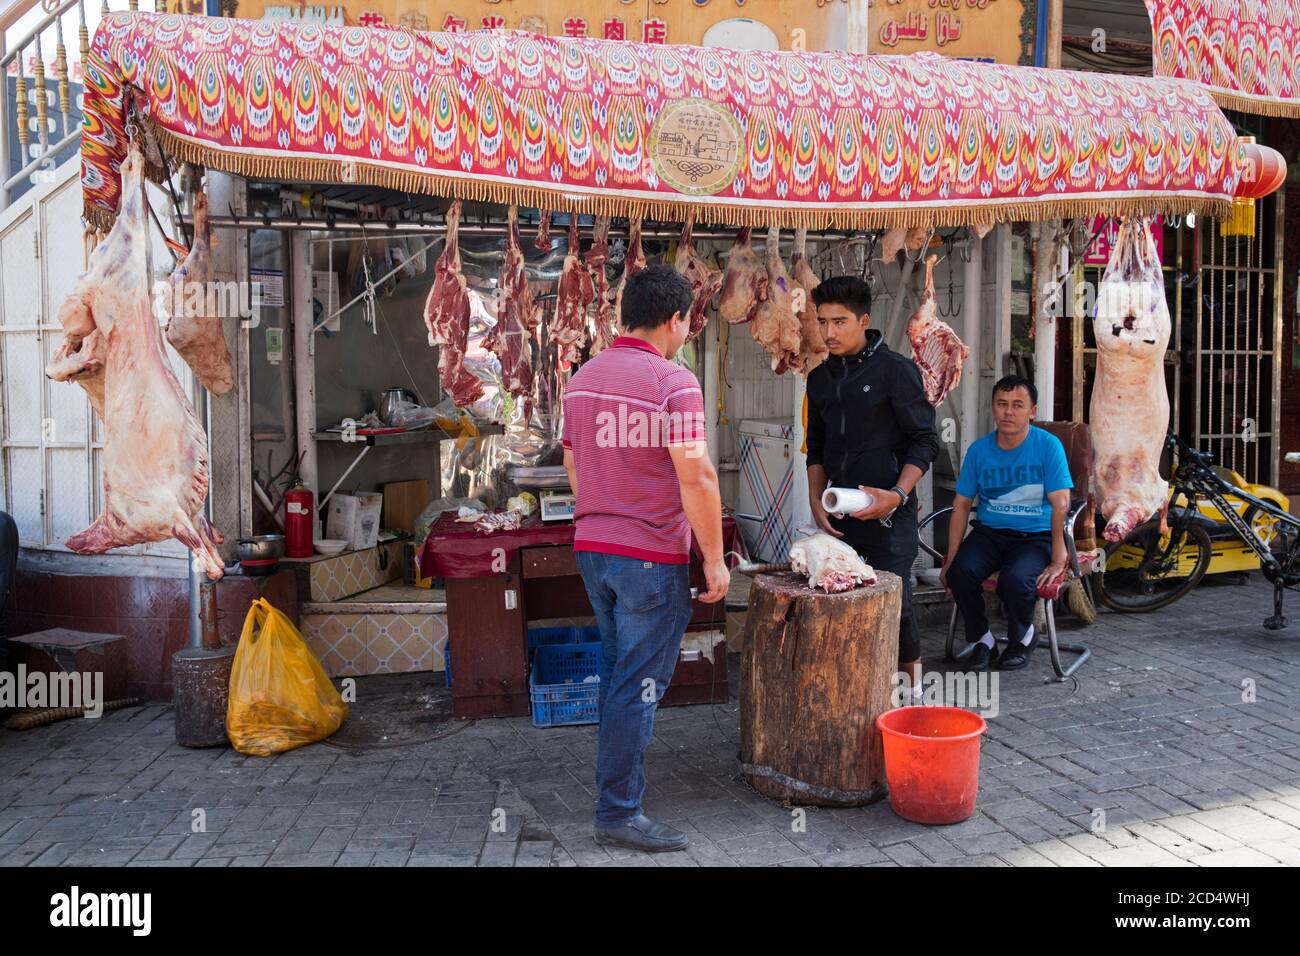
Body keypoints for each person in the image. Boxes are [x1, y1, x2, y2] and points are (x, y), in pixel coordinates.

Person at [562, 264, 730, 853]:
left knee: (618, 676)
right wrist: (715, 559)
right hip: (649, 559)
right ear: (674, 319)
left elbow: (575, 466)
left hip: (594, 551)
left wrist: (604, 512)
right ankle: (617, 812)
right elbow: (698, 477)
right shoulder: (674, 382)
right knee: (637, 685)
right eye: (688, 321)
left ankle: (617, 799)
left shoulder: (582, 379)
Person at [806, 276, 940, 697]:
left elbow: (925, 440)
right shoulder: (819, 378)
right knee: (838, 597)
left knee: (895, 604)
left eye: (840, 321)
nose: (829, 332)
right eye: (823, 321)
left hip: (890, 515)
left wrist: (897, 496)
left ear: (863, 320)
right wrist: (815, 500)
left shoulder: (896, 371)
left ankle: (912, 695)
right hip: (840, 512)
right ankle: (854, 691)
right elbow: (818, 447)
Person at [941, 375, 1072, 671]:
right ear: (992, 408)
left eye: (1017, 405)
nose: (1008, 412)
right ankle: (982, 640)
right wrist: (951, 556)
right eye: (1002, 404)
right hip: (989, 534)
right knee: (960, 572)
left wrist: (1058, 556)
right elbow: (961, 506)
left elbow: (1060, 504)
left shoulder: (1048, 446)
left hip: (1034, 536)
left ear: (1032, 411)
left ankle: (1022, 637)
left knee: (1016, 580)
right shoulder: (979, 450)